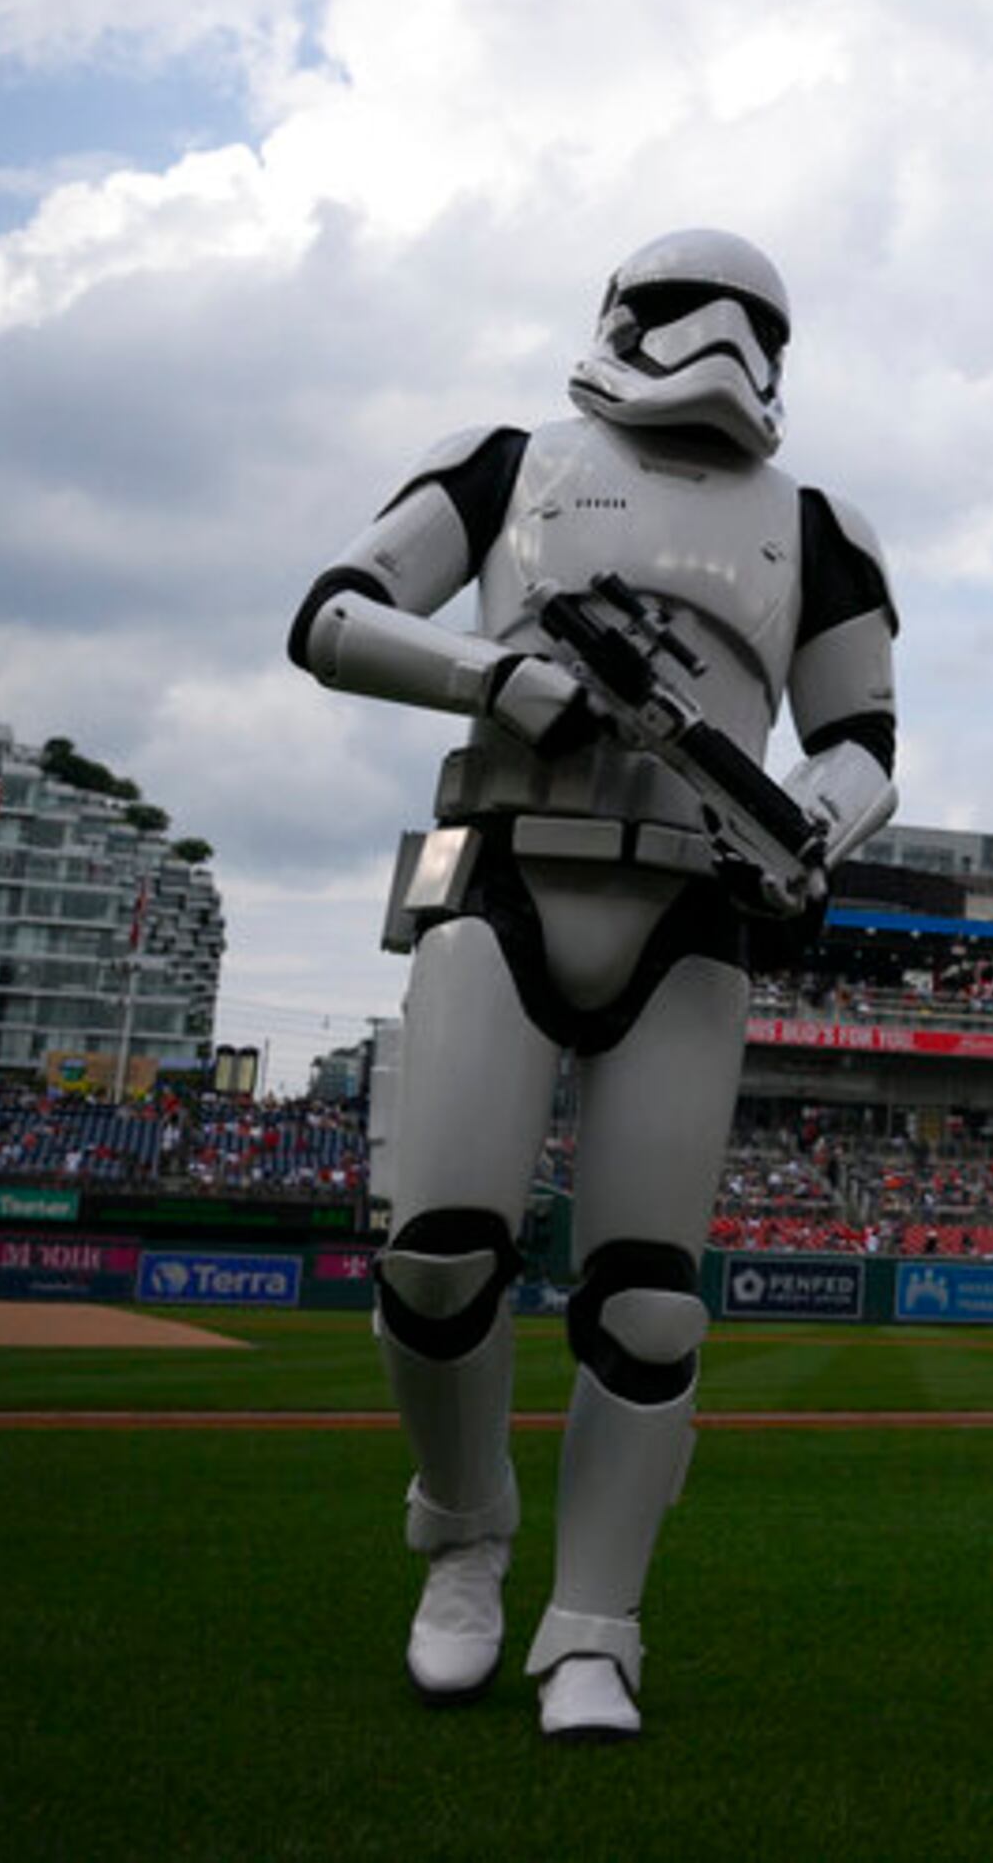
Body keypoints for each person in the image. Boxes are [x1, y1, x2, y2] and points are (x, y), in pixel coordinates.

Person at [289, 230, 898, 1743]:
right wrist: (491, 678)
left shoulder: (816, 524)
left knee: (649, 1300)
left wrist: (820, 817)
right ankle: (463, 1527)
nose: (723, 350)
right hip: (502, 866)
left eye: (756, 325)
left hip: (693, 900)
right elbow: (335, 615)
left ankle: (597, 1625)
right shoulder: (508, 463)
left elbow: (863, 736)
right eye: (694, 316)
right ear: (622, 319)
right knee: (438, 1259)